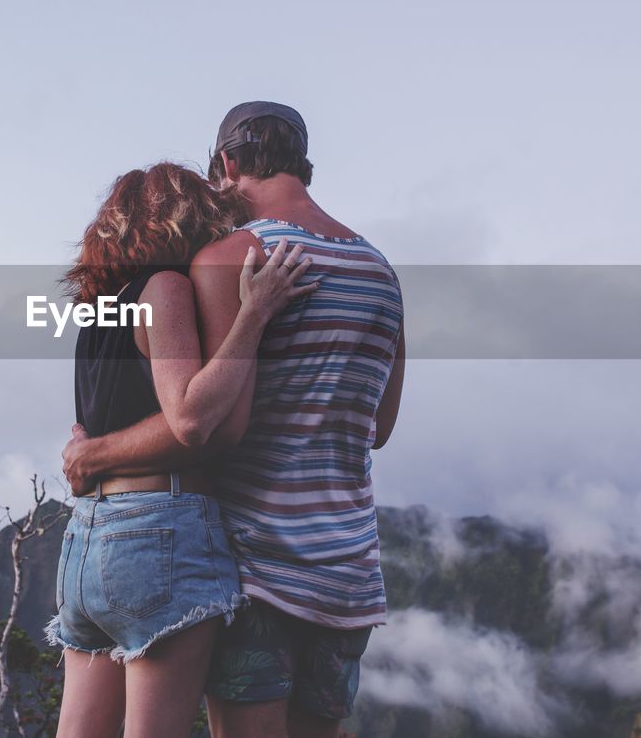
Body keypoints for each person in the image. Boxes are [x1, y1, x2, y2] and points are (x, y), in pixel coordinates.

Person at [63, 102, 405, 738]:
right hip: (348, 569)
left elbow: (215, 427)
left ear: (227, 164)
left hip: (257, 566)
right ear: (306, 165)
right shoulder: (379, 271)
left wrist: (97, 453)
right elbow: (379, 428)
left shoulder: (231, 258)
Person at [49, 161, 318, 738]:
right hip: (159, 534)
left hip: (86, 540)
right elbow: (192, 416)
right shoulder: (164, 288)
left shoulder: (99, 309)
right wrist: (254, 314)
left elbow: (87, 426)